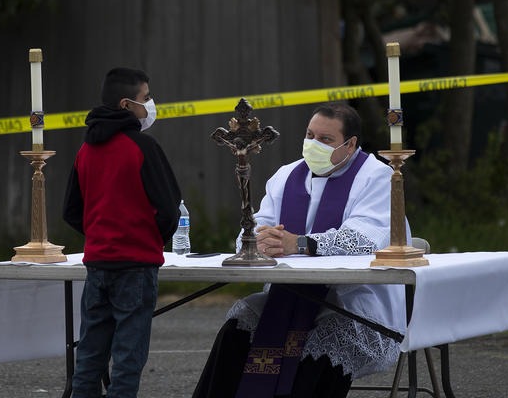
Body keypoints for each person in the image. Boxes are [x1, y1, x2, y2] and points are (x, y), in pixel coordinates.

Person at [193, 102, 410, 398]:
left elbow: (366, 239)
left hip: (356, 302)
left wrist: (300, 243)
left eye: (325, 140)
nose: (313, 145)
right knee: (236, 332)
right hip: (288, 296)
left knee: (318, 348)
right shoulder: (286, 176)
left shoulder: (377, 177)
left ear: (351, 145)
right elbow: (254, 228)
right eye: (310, 135)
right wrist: (259, 242)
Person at [63, 67, 181, 398]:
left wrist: (101, 234)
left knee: (89, 357)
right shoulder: (142, 146)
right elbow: (169, 208)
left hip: (98, 263)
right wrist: (148, 238)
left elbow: (71, 210)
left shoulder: (86, 150)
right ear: (128, 104)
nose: (151, 104)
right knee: (128, 359)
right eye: (146, 98)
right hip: (135, 266)